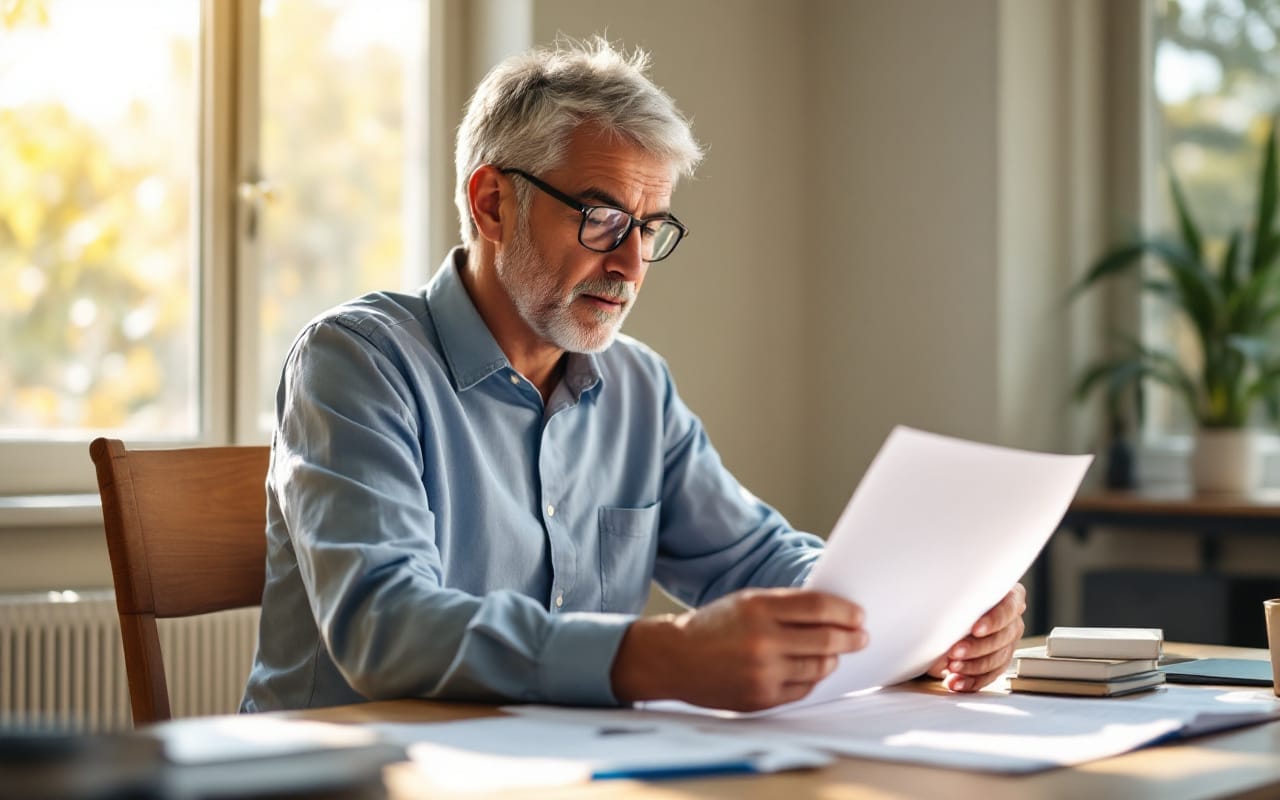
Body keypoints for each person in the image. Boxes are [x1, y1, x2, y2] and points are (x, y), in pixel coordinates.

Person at [241, 38, 1025, 714]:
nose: (630, 265)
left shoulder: (638, 389)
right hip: (348, 772)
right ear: (491, 204)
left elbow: (754, 561)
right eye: (602, 218)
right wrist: (656, 656)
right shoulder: (356, 363)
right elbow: (388, 625)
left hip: (557, 772)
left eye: (649, 228)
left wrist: (923, 618)